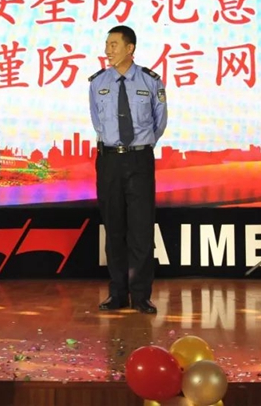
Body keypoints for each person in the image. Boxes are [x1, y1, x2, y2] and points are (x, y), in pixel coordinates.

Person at [89, 25, 168, 314]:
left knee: (141, 229)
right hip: (109, 160)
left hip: (139, 160)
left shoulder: (150, 81)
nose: (107, 50)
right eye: (107, 44)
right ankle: (117, 293)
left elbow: (159, 122)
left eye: (113, 44)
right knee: (114, 229)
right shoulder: (97, 83)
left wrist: (140, 146)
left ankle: (141, 295)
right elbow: (97, 121)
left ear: (129, 48)